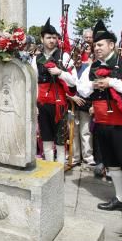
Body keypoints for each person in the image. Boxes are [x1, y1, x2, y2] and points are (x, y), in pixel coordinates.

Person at [78, 20, 122, 211]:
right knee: (112, 163)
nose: (96, 48)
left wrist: (111, 82)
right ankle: (121, 199)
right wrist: (94, 85)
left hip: (121, 123)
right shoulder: (93, 66)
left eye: (100, 44)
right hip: (102, 122)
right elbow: (81, 88)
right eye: (94, 45)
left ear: (111, 45)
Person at [31, 18, 76, 164]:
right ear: (42, 39)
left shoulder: (64, 56)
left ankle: (59, 171)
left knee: (60, 140)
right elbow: (33, 83)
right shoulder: (36, 59)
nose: (51, 40)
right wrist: (34, 105)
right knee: (46, 138)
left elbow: (73, 81)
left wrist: (60, 72)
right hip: (42, 104)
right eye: (48, 37)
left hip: (60, 104)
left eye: (54, 37)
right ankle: (50, 170)